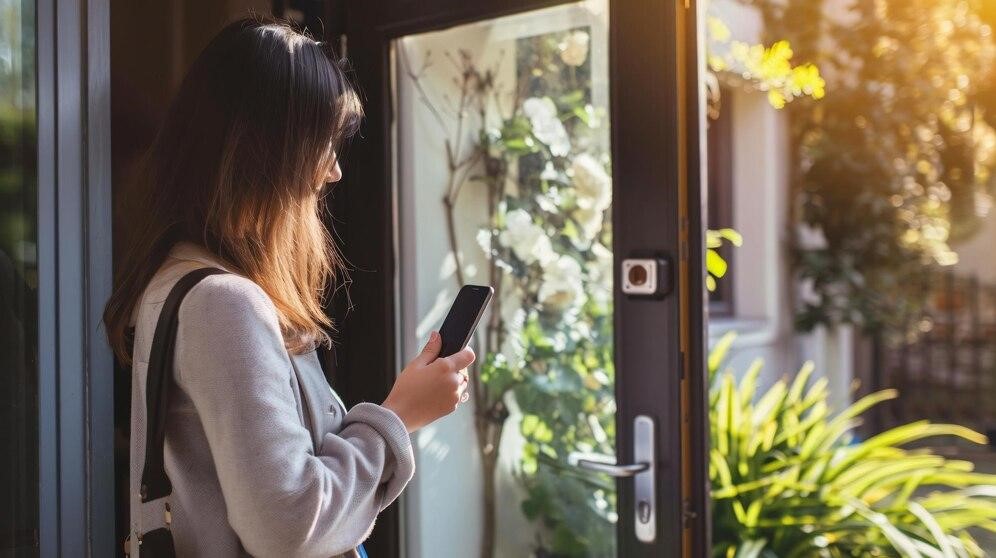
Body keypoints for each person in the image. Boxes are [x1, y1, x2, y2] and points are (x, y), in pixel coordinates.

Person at [103, 17, 474, 557]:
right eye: (324, 146)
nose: (334, 173)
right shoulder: (223, 303)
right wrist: (397, 418)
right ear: (268, 150)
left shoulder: (176, 279)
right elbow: (289, 524)